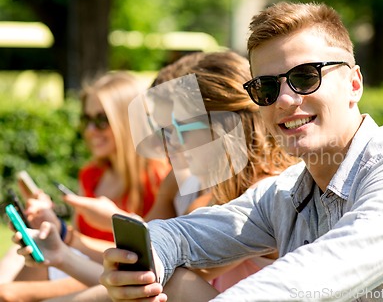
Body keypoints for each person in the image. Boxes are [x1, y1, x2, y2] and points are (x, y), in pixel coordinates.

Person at [100, 1, 383, 302]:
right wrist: (138, 263)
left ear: (354, 84)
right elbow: (183, 236)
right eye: (267, 88)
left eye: (306, 77)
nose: (285, 100)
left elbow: (317, 276)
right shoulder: (285, 194)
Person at [11, 51, 296, 302]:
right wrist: (64, 247)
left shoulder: (263, 193)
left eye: (174, 129)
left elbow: (152, 278)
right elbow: (140, 263)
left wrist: (71, 247)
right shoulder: (183, 180)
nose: (164, 144)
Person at [0, 72, 169, 301]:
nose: (90, 130)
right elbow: (76, 239)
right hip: (80, 265)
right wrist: (53, 225)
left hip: (114, 275)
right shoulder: (91, 175)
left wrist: (69, 234)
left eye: (101, 120)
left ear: (127, 121)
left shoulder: (157, 178)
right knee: (15, 260)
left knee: (7, 292)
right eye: (86, 119)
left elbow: (152, 256)